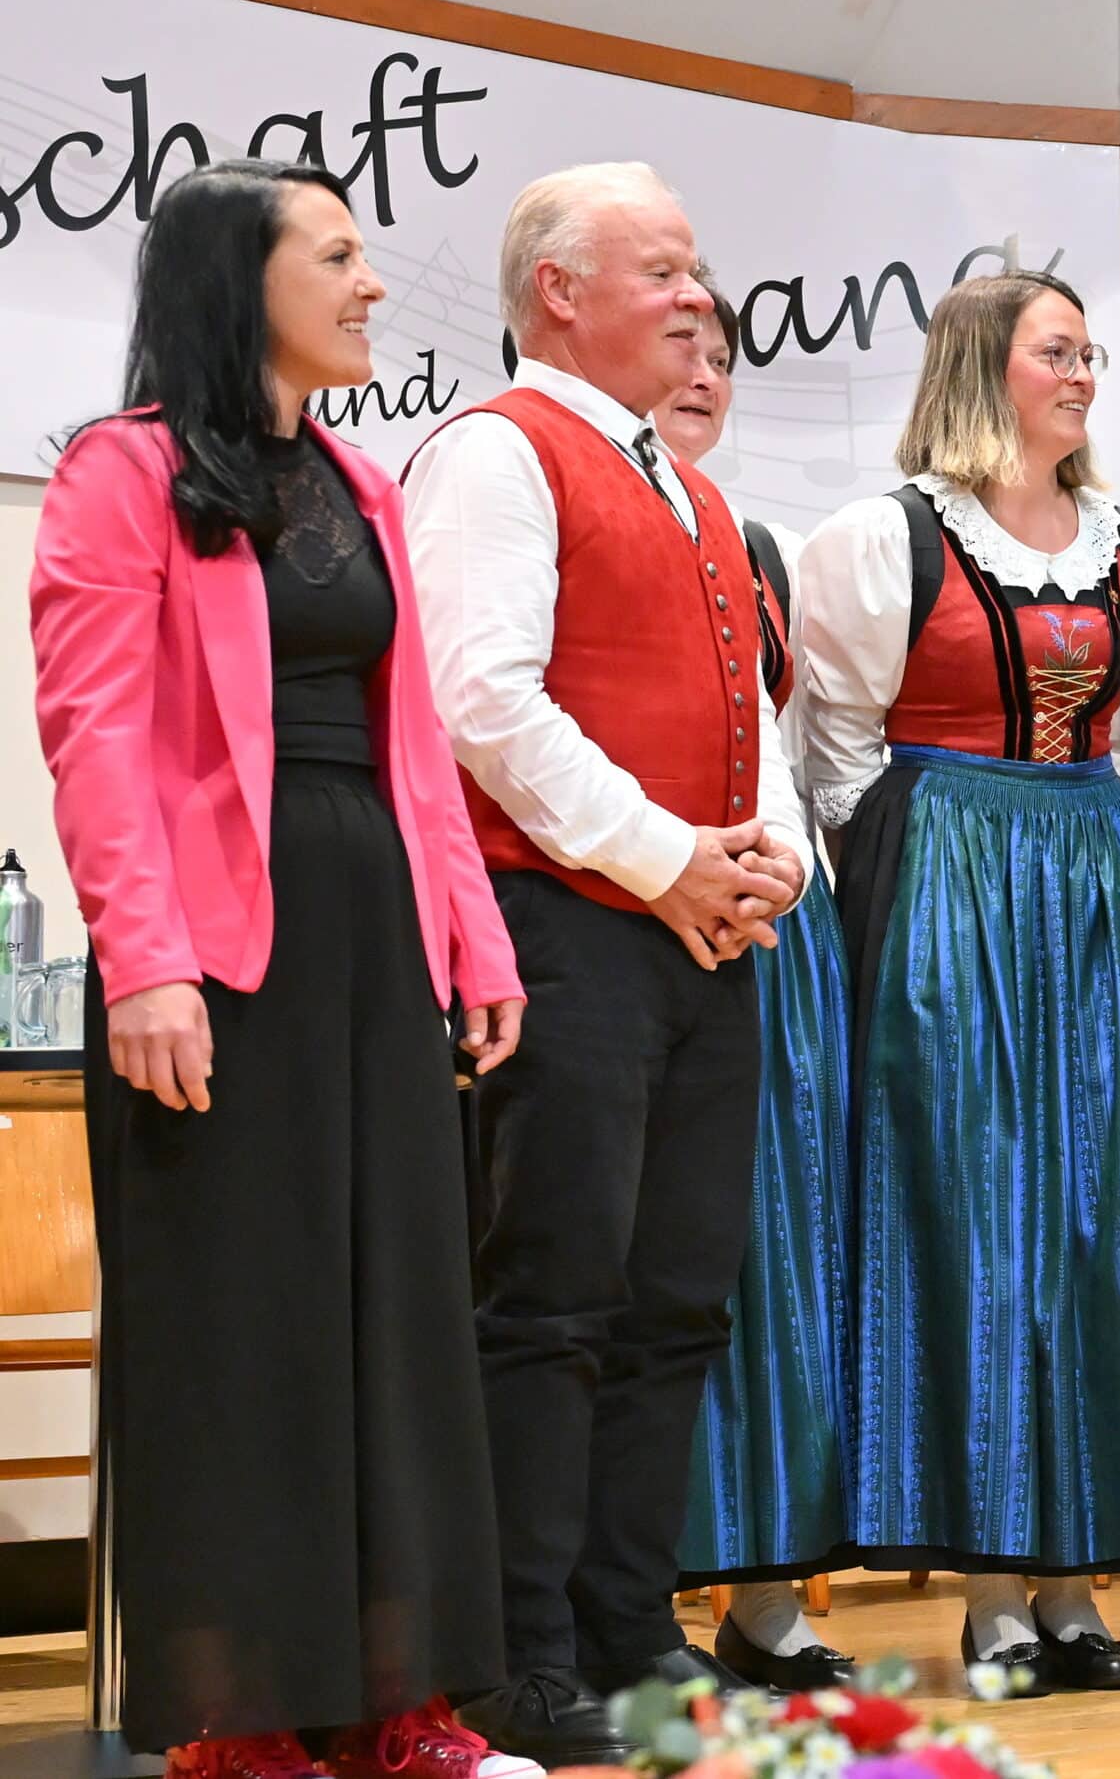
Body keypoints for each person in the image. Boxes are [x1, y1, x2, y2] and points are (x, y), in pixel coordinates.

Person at [31, 160, 526, 1779]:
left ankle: (398, 1705)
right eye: (338, 255)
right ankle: (238, 1725)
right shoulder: (123, 473)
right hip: (215, 958)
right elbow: (96, 735)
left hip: (372, 931)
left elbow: (416, 748)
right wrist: (143, 964)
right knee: (242, 1332)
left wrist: (473, 936)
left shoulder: (363, 482)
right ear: (238, 281)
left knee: (397, 1319)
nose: (373, 284)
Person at [404, 163, 812, 1761]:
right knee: (551, 1305)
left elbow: (753, 712)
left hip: (700, 940)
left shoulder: (690, 489)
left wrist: (768, 853)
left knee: (675, 1306)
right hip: (564, 937)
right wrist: (667, 859)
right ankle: (519, 1662)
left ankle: (631, 1638)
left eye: (697, 267)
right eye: (665, 270)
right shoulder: (495, 452)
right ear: (559, 293)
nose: (698, 297)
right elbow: (483, 703)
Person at [796, 270, 1120, 1697]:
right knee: (972, 1218)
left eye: (1090, 353)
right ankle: (990, 1592)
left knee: (1098, 1222)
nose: (1083, 374)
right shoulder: (885, 537)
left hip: (1088, 874)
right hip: (948, 878)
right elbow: (837, 749)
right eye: (1056, 352)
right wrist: (907, 893)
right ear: (983, 368)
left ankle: (1076, 1581)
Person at [654, 280, 857, 1691]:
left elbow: (794, 751)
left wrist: (791, 876)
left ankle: (768, 1596)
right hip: (646, 913)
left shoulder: (755, 539)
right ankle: (624, 1596)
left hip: (784, 929)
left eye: (723, 358)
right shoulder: (560, 506)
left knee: (779, 1264)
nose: (704, 376)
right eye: (681, 348)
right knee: (652, 1267)